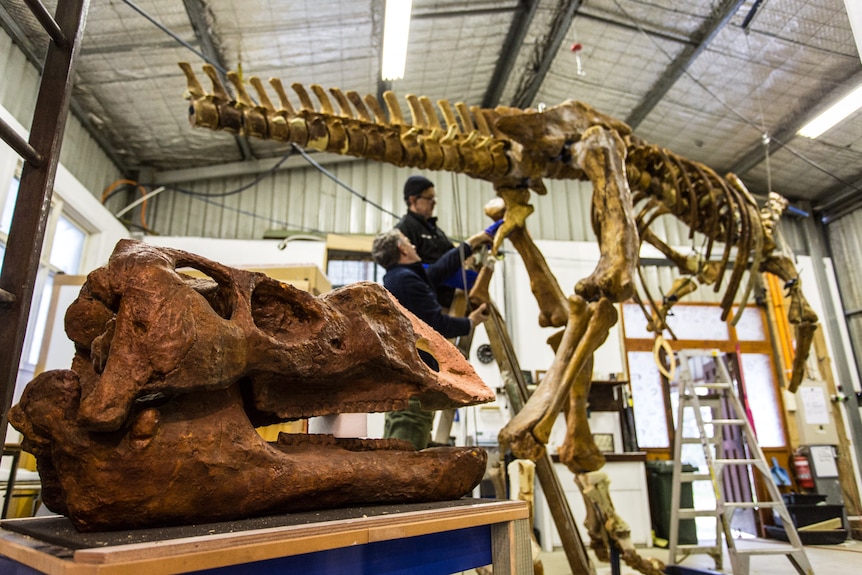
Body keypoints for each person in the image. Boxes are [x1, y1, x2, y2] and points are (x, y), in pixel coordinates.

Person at [371, 228, 492, 450]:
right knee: (405, 455)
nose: (414, 246)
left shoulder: (404, 277)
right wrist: (470, 322)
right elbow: (435, 325)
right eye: (409, 241)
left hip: (411, 384)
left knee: (406, 445)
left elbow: (439, 270)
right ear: (402, 249)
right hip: (413, 387)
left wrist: (471, 242)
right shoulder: (406, 281)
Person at [395, 175, 459, 307]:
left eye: (434, 198)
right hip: (427, 307)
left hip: (448, 303)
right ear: (413, 200)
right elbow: (408, 273)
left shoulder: (436, 230)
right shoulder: (404, 230)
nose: (434, 202)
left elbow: (452, 254)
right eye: (429, 198)